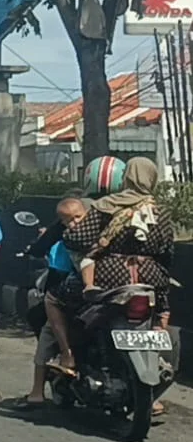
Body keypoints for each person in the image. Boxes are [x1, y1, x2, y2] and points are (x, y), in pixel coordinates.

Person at [48, 156, 174, 385]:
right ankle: (157, 355)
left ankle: (67, 355)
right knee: (162, 309)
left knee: (54, 298)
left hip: (108, 278)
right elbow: (166, 251)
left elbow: (78, 238)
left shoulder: (106, 206)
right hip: (150, 278)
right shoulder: (161, 211)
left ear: (126, 177)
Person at [17, 198, 89, 409]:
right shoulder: (112, 222)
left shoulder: (66, 237)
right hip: (116, 288)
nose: (74, 223)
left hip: (79, 293)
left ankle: (39, 389)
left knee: (49, 325)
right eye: (70, 220)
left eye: (78, 217)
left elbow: (57, 272)